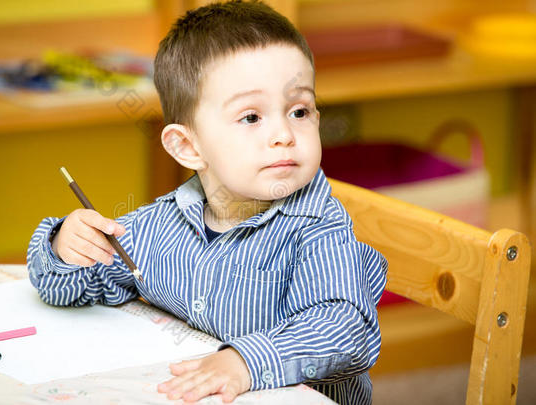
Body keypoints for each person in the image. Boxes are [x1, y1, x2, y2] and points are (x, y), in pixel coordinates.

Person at [27, 1, 388, 403]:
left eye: (299, 110)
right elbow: (67, 289)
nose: (284, 134)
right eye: (252, 117)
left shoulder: (319, 226)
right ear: (187, 146)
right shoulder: (162, 224)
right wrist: (65, 248)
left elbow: (344, 329)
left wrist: (245, 362)